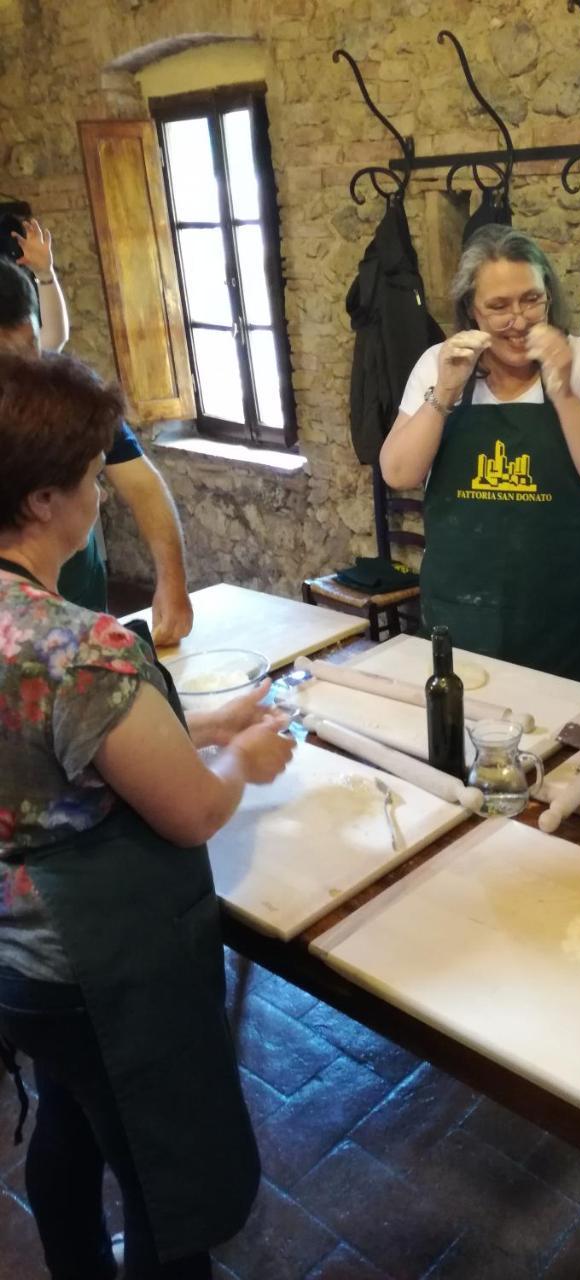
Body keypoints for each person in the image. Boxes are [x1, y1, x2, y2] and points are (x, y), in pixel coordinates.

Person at [0, 352, 295, 1278]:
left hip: (16, 956)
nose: (101, 491)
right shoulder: (78, 649)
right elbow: (192, 812)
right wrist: (241, 758)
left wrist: (200, 719)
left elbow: (58, 750)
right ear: (46, 501)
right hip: (92, 960)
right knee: (163, 1178)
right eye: (92, 476)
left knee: (71, 1126)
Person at [381, 225, 580, 691]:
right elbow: (399, 472)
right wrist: (445, 392)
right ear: (471, 311)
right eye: (498, 307)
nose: (518, 321)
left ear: (549, 297)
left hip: (569, 618)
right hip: (463, 614)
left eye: (531, 300)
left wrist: (561, 390)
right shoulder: (439, 363)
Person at [0, 244, 193, 645]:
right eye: (13, 358)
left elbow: (142, 484)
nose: (34, 366)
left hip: (81, 612)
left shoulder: (65, 398)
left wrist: (172, 582)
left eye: (35, 345)